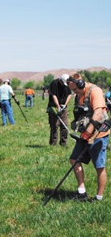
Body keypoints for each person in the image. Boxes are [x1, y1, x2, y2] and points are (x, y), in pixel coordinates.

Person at [67, 73, 110, 202]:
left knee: (99, 166)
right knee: (74, 159)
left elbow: (98, 113)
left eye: (75, 89)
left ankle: (98, 197)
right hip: (85, 135)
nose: (74, 92)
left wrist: (88, 133)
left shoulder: (95, 91)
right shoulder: (79, 95)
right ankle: (82, 192)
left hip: (98, 135)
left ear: (81, 84)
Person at [47, 74, 72, 146]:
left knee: (65, 125)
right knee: (54, 125)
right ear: (60, 80)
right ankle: (53, 143)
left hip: (64, 107)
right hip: (54, 107)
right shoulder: (54, 83)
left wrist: (65, 105)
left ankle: (63, 143)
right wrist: (58, 106)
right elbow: (54, 96)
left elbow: (69, 94)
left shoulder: (68, 84)